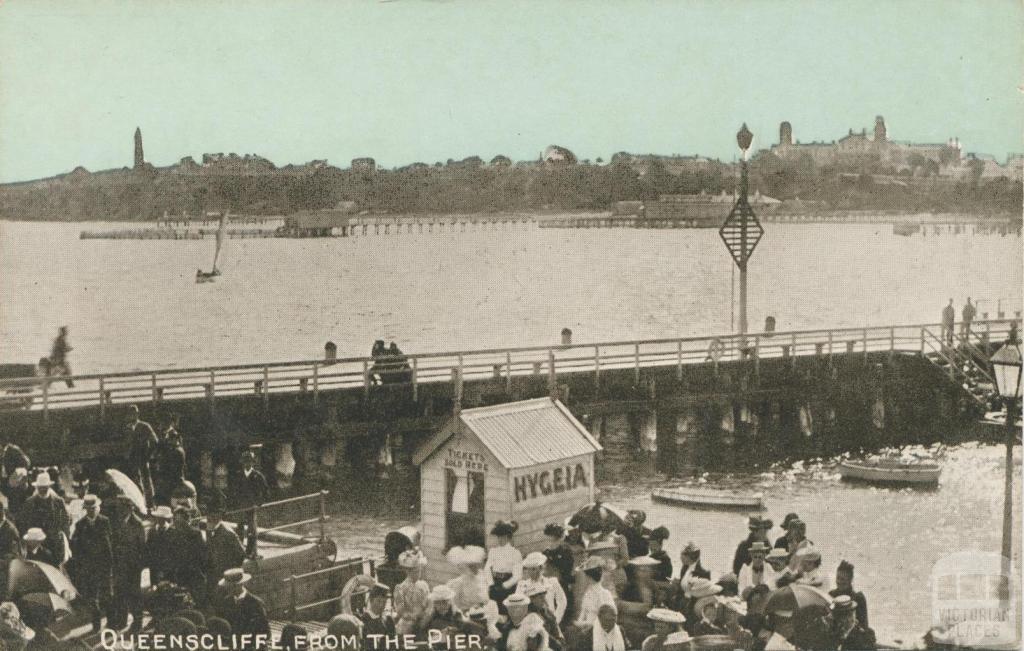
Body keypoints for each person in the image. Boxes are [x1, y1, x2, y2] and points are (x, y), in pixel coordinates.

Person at [68, 495, 112, 632]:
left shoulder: (105, 521)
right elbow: (76, 547)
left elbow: (110, 545)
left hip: (104, 566)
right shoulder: (80, 525)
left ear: (97, 508)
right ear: (85, 509)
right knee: (93, 598)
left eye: (93, 508)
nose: (91, 511)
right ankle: (96, 624)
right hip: (89, 567)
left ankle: (111, 623)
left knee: (107, 596)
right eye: (88, 509)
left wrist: (110, 566)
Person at [108, 496, 146, 633]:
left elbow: (142, 548)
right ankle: (121, 620)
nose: (120, 511)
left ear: (130, 509)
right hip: (118, 564)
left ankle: (137, 622)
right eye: (119, 508)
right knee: (119, 593)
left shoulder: (137, 524)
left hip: (132, 566)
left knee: (134, 594)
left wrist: (138, 565)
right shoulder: (115, 522)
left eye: (123, 508)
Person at [16, 472, 70, 564]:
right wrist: (28, 540)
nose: (42, 490)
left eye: (45, 487)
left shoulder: (58, 502)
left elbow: (66, 521)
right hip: (36, 543)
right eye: (40, 487)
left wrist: (63, 538)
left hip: (54, 544)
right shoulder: (29, 503)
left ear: (49, 487)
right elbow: (22, 522)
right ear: (36, 488)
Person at [217, 568, 270, 649]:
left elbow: (266, 632)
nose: (228, 589)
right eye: (227, 586)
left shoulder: (256, 603)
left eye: (231, 586)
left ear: (240, 585)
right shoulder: (226, 602)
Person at [166, 506, 208, 603]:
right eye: (176, 521)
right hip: (178, 575)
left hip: (194, 575)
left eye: (180, 522)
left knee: (196, 602)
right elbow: (169, 555)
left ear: (187, 520)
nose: (177, 525)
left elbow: (203, 556)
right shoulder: (172, 534)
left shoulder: (196, 534)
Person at [206, 502, 246, 603]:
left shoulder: (227, 533)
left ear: (219, 517)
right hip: (216, 571)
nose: (209, 519)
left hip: (226, 571)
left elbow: (241, 552)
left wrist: (232, 569)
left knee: (226, 599)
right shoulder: (211, 530)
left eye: (212, 516)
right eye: (209, 516)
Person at [518, 552, 567, 625]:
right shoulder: (522, 585)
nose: (531, 572)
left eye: (534, 569)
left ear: (541, 568)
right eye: (529, 569)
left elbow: (562, 602)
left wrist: (555, 620)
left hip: (550, 621)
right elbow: (518, 605)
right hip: (531, 623)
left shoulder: (552, 582)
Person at [124, 405, 158, 510]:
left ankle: (150, 505)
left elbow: (154, 441)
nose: (132, 416)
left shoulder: (144, 426)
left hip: (142, 458)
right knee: (134, 482)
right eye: (130, 414)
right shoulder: (127, 428)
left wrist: (148, 455)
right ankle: (138, 505)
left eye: (134, 413)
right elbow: (127, 444)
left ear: (138, 414)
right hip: (132, 459)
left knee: (146, 482)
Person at [236, 449, 268, 559]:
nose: (247, 464)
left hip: (251, 506)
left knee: (252, 531)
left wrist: (259, 503)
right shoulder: (239, 475)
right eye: (245, 461)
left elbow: (265, 491)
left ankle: (251, 553)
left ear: (253, 463)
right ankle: (240, 551)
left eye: (249, 461)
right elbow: (235, 491)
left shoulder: (257, 476)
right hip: (241, 506)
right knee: (239, 528)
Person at [393, 550, 431, 636]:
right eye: (416, 571)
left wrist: (425, 616)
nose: (418, 574)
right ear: (408, 571)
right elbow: (400, 611)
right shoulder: (400, 588)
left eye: (419, 571)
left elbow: (428, 604)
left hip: (423, 621)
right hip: (408, 624)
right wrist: (413, 616)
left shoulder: (423, 585)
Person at [573, 557, 615, 630]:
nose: (585, 578)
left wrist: (587, 624)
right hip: (586, 628)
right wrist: (579, 625)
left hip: (601, 629)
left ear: (589, 577)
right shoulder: (588, 593)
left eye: (586, 576)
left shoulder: (605, 594)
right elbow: (583, 612)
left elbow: (608, 619)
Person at [154, 425, 187, 506]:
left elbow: (173, 468)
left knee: (169, 499)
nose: (169, 441)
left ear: (175, 439)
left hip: (174, 480)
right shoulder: (175, 449)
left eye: (171, 439)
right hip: (172, 479)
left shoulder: (177, 451)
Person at [829, 561, 868, 628]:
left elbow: (864, 625)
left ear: (850, 580)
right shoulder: (831, 595)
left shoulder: (858, 598)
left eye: (843, 579)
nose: (839, 582)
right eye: (838, 578)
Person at [523, 583, 563, 650]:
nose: (544, 600)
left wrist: (560, 640)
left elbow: (555, 629)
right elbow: (540, 634)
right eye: (541, 597)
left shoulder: (547, 612)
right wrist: (556, 643)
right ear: (532, 599)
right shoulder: (527, 615)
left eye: (544, 597)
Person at [486, 521, 523, 591]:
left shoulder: (515, 553)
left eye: (502, 536)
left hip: (509, 585)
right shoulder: (493, 551)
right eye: (498, 536)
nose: (500, 539)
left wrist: (504, 586)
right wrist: (491, 584)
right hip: (495, 583)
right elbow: (487, 569)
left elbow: (517, 576)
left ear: (507, 537)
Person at [358, 583, 396, 649]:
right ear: (371, 600)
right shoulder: (362, 621)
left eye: (384, 602)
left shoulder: (388, 621)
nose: (381, 605)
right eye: (378, 601)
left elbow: (393, 645)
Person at [145, 505, 174, 584]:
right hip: (155, 567)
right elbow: (148, 548)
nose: (160, 520)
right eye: (158, 517)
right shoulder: (152, 531)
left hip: (169, 567)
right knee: (156, 589)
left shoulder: (172, 531)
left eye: (162, 518)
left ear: (166, 519)